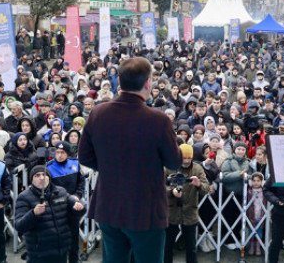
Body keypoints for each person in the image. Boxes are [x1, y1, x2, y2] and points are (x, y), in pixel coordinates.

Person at [78, 57, 182, 262]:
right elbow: (174, 162)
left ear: (119, 81)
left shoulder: (98, 113)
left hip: (108, 206)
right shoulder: (158, 120)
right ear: (147, 83)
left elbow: (85, 157)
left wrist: (111, 168)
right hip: (146, 210)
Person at [14, 166, 84, 263]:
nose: (42, 178)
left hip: (61, 250)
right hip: (39, 253)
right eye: (37, 175)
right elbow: (19, 226)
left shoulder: (60, 191)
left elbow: (74, 211)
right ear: (32, 179)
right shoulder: (24, 197)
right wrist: (33, 213)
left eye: (44, 174)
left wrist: (78, 207)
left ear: (49, 177)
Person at [164, 143, 210, 263]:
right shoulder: (168, 168)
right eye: (184, 158)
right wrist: (171, 191)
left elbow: (206, 189)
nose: (187, 160)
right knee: (167, 246)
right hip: (171, 212)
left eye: (189, 158)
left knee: (191, 247)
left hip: (190, 212)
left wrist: (199, 184)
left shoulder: (197, 168)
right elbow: (158, 187)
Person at [46, 141, 86, 263]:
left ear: (67, 153)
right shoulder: (48, 167)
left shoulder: (75, 163)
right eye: (57, 152)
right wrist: (69, 198)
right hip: (58, 205)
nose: (59, 155)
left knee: (74, 235)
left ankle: (74, 259)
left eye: (62, 152)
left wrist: (77, 195)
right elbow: (51, 188)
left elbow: (81, 181)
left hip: (74, 204)